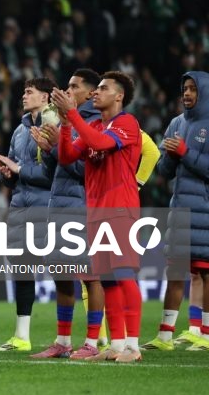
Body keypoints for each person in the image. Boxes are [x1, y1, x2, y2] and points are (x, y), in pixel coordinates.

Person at [53, 71, 144, 363]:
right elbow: (67, 156)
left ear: (119, 96)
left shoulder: (127, 123)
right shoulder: (92, 124)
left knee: (124, 275)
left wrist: (72, 115)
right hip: (97, 211)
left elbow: (101, 144)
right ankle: (116, 345)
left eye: (104, 88)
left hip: (121, 208)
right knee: (107, 280)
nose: (97, 92)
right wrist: (67, 125)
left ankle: (133, 346)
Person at [29, 69, 107, 359]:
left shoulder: (95, 124)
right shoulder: (64, 121)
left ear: (90, 93)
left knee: (90, 276)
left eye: (74, 86)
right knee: (61, 273)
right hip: (59, 204)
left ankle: (91, 342)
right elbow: (56, 171)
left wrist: (60, 145)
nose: (68, 89)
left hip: (83, 206)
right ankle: (62, 342)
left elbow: (88, 171)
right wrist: (49, 150)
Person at [142, 71, 209, 351]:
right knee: (177, 272)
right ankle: (166, 334)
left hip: (205, 211)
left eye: (193, 89)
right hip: (179, 210)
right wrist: (169, 156)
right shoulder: (176, 123)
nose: (187, 94)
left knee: (205, 273)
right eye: (185, 89)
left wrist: (184, 152)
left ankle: (204, 332)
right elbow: (164, 172)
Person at [0, 77, 58, 351]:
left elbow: (54, 174)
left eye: (30, 92)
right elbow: (15, 171)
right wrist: (8, 175)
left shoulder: (54, 127)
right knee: (22, 269)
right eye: (24, 92)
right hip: (20, 207)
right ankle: (22, 336)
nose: (24, 95)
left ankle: (96, 334)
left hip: (49, 207)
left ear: (45, 98)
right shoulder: (20, 131)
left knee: (67, 271)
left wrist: (19, 171)